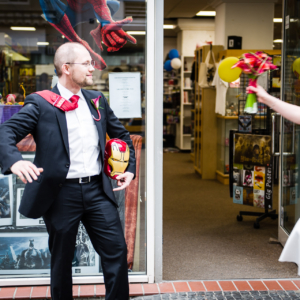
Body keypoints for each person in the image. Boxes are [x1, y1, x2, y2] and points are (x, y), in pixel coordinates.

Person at [0, 42, 136, 300]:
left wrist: (129, 168)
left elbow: (121, 135)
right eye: (86, 63)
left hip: (97, 190)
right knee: (62, 262)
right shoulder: (41, 103)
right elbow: (5, 131)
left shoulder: (97, 100)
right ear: (66, 68)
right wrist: (14, 161)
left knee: (116, 253)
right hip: (62, 194)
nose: (92, 68)